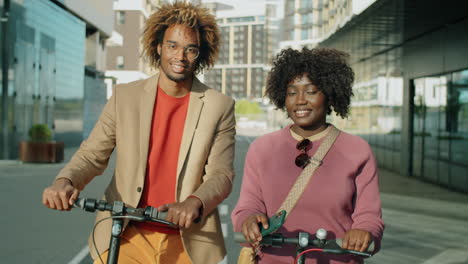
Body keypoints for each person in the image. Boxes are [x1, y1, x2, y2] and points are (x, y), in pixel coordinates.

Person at [42, 2, 235, 264]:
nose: (180, 56)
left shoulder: (219, 106)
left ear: (200, 54)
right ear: (158, 46)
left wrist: (194, 201)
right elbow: (92, 154)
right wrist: (66, 181)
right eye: (172, 46)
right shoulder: (125, 97)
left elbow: (221, 174)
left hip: (187, 243)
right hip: (124, 235)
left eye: (190, 49)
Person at [231, 47, 384, 264]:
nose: (300, 100)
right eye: (292, 92)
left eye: (311, 91)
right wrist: (248, 220)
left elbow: (370, 215)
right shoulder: (262, 148)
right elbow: (248, 204)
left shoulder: (357, 150)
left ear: (330, 94)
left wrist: (364, 231)